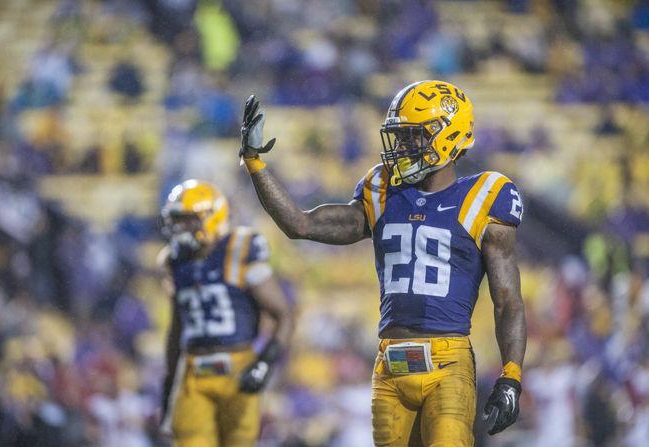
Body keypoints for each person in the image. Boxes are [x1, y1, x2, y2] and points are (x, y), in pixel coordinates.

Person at [238, 80, 527, 446]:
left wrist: (511, 375)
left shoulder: (485, 195)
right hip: (390, 363)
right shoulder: (383, 189)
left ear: (447, 136)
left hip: (448, 361)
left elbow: (508, 299)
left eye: (412, 137)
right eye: (401, 137)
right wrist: (254, 162)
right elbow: (300, 223)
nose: (403, 147)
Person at [158, 179, 294, 447]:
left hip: (237, 367)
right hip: (193, 369)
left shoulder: (240, 250)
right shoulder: (174, 261)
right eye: (177, 220)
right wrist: (169, 382)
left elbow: (283, 314)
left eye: (188, 220)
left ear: (212, 217)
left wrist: (265, 362)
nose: (181, 228)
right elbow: (177, 327)